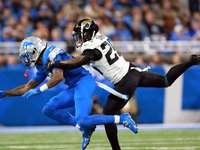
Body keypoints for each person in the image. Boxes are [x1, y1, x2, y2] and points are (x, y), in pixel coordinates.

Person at [45, 18, 200, 150]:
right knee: (166, 81)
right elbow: (80, 59)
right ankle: (189, 62)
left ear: (88, 34)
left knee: (108, 114)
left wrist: (55, 63)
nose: (79, 39)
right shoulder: (101, 38)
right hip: (133, 71)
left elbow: (76, 63)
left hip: (125, 81)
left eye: (81, 35)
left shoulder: (91, 47)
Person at [0, 36, 138, 150]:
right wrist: (4, 94)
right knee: (48, 109)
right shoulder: (40, 66)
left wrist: (40, 89)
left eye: (27, 55)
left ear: (35, 51)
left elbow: (58, 76)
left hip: (83, 82)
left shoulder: (52, 53)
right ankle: (84, 128)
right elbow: (26, 87)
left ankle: (122, 118)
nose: (26, 59)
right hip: (73, 86)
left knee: (83, 118)